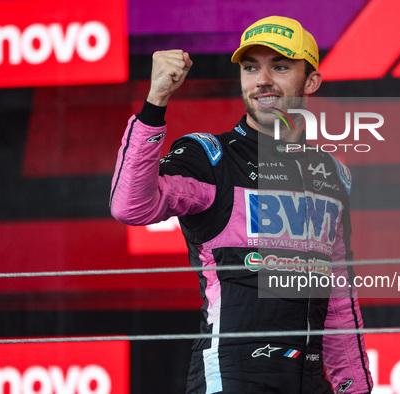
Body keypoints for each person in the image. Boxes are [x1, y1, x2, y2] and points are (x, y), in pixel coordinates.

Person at [110, 15, 373, 394]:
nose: (262, 80)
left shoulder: (331, 173)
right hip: (230, 379)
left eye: (280, 67)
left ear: (311, 81)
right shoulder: (208, 156)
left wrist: (356, 389)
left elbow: (338, 301)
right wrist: (155, 103)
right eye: (251, 68)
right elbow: (130, 206)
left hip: (310, 382)